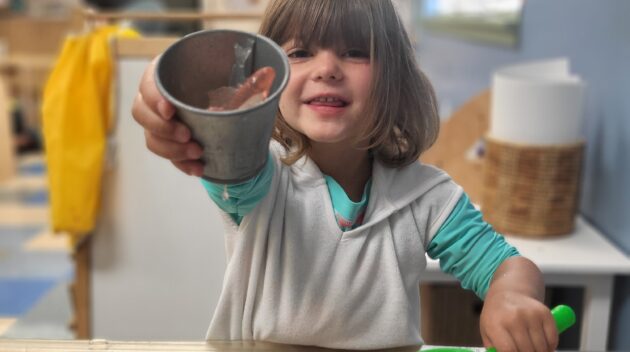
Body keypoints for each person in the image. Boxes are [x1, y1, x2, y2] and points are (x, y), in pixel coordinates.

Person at [131, 0, 558, 350]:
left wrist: (511, 296)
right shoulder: (260, 179)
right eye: (300, 53)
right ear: (267, 81)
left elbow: (505, 265)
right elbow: (222, 142)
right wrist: (169, 92)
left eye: (356, 52)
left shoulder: (426, 197)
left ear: (394, 77)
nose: (328, 68)